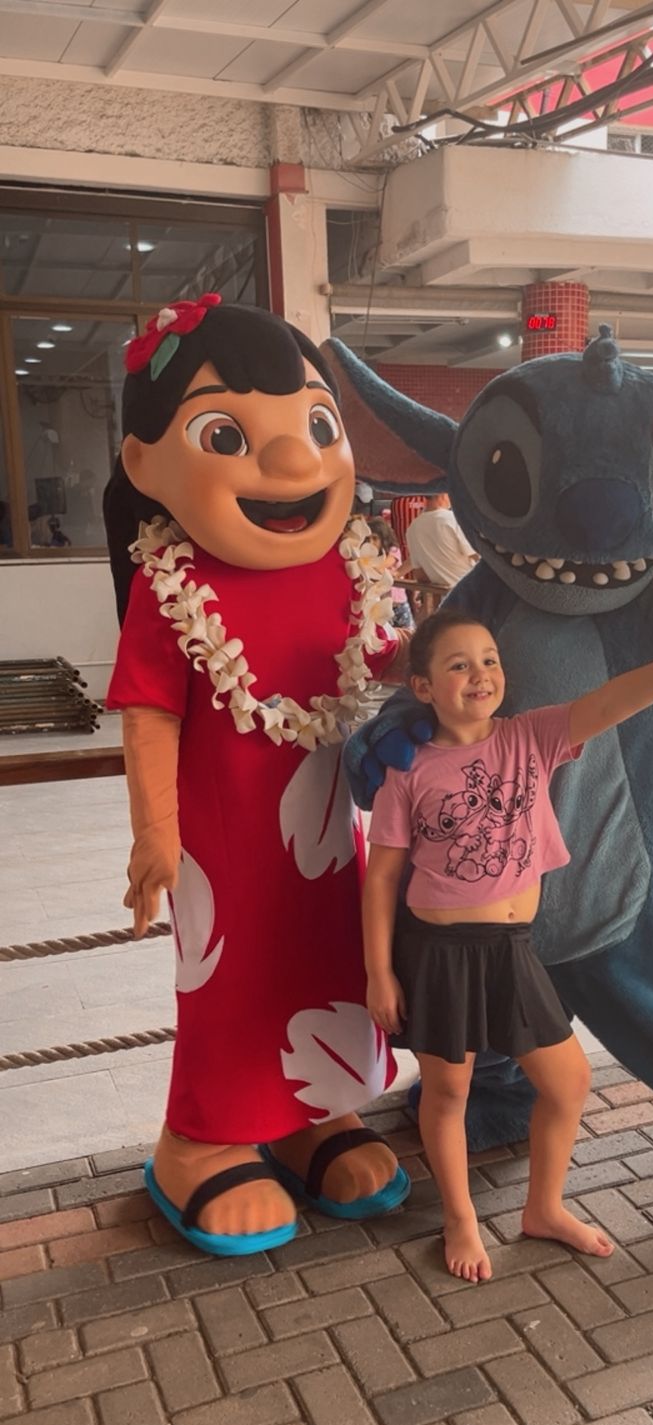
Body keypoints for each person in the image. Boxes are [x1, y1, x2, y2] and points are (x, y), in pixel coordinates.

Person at [104, 295, 412, 1257]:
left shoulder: (351, 567)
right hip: (223, 837)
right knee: (231, 980)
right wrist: (155, 832)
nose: (294, 463)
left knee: (326, 957)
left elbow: (391, 664)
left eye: (318, 426)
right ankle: (201, 1140)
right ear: (144, 463)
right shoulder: (171, 586)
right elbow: (149, 711)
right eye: (227, 436)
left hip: (327, 829)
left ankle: (317, 1113)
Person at [362, 598, 653, 1282]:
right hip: (438, 954)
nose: (480, 675)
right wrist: (379, 973)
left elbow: (611, 702)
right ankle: (459, 1219)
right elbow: (382, 877)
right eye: (459, 665)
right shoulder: (410, 770)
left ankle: (543, 1207)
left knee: (568, 1081)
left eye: (489, 661)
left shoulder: (529, 737)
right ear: (422, 686)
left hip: (513, 949)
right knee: (448, 1093)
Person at [405, 492, 478, 591]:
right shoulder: (454, 519)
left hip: (445, 595)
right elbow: (478, 556)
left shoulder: (412, 528)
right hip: (472, 589)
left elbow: (420, 575)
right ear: (442, 494)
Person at [369, 513, 414, 628]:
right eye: (368, 539)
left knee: (407, 632)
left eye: (375, 538)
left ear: (384, 538)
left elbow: (381, 567)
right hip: (382, 606)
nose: (371, 543)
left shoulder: (393, 551)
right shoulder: (372, 556)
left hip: (398, 603)